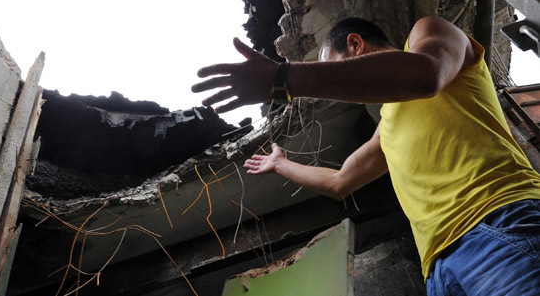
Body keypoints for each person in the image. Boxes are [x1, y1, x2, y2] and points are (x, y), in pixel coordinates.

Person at [191, 16, 540, 296]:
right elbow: (340, 181)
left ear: (355, 44)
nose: (340, 92)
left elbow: (426, 74)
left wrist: (283, 77)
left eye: (334, 67)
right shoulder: (386, 129)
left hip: (496, 221)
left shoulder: (429, 32)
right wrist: (280, 164)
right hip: (438, 271)